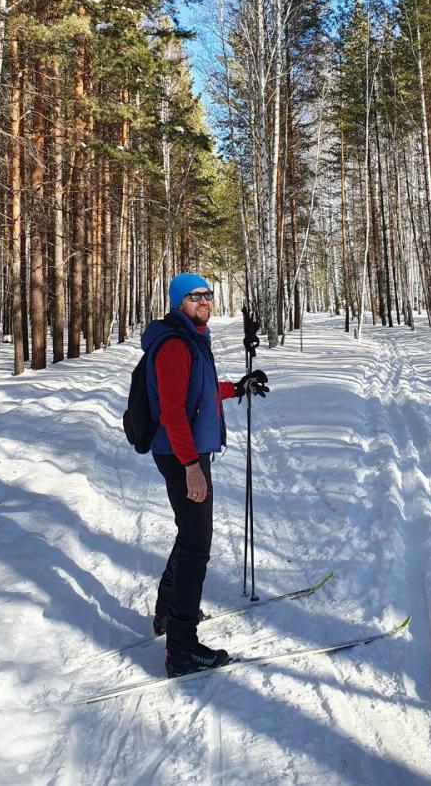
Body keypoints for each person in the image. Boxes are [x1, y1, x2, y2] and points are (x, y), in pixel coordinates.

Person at [140, 272, 269, 677]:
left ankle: (167, 612)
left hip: (185, 453)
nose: (205, 302)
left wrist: (236, 387)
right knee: (197, 545)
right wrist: (192, 466)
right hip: (183, 455)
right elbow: (173, 411)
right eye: (196, 297)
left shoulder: (190, 339)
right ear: (179, 301)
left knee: (189, 534)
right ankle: (181, 648)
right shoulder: (176, 345)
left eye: (208, 296)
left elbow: (199, 391)